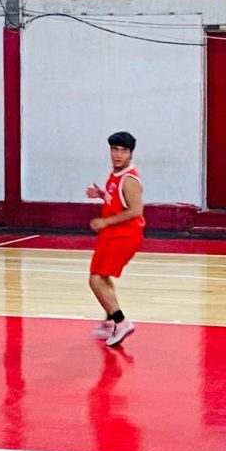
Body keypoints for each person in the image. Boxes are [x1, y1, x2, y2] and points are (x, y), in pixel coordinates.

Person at [86, 131, 145, 348]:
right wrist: (102, 195)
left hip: (124, 236)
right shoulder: (116, 174)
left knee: (96, 280)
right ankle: (110, 321)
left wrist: (105, 221)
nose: (118, 154)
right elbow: (119, 200)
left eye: (123, 150)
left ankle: (121, 322)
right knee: (101, 276)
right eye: (114, 149)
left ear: (130, 153)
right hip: (113, 234)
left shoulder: (129, 179)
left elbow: (136, 211)